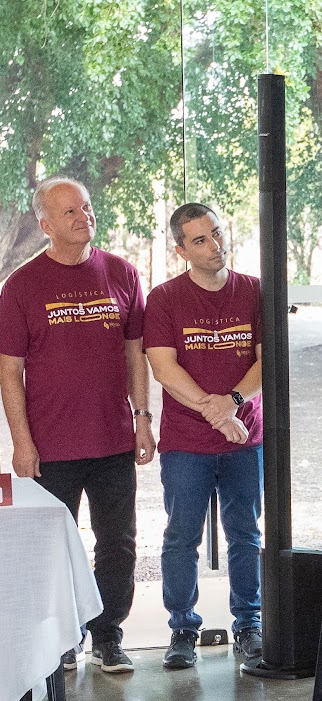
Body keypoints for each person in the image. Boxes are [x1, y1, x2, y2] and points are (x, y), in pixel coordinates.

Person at [0, 176, 156, 673]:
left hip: (112, 438)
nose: (84, 217)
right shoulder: (22, 285)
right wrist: (22, 442)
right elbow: (9, 373)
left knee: (118, 543)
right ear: (45, 225)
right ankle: (63, 636)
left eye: (86, 207)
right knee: (54, 545)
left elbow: (136, 355)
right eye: (69, 212)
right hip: (51, 444)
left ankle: (108, 634)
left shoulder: (122, 273)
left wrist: (142, 419)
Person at [144, 202, 263, 669]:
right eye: (200, 240)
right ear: (181, 250)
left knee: (246, 534)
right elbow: (163, 368)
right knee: (181, 537)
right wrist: (216, 413)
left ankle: (249, 625)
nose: (214, 245)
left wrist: (231, 403)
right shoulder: (165, 298)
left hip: (245, 438)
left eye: (216, 233)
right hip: (186, 442)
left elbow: (266, 360)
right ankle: (182, 629)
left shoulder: (253, 291)